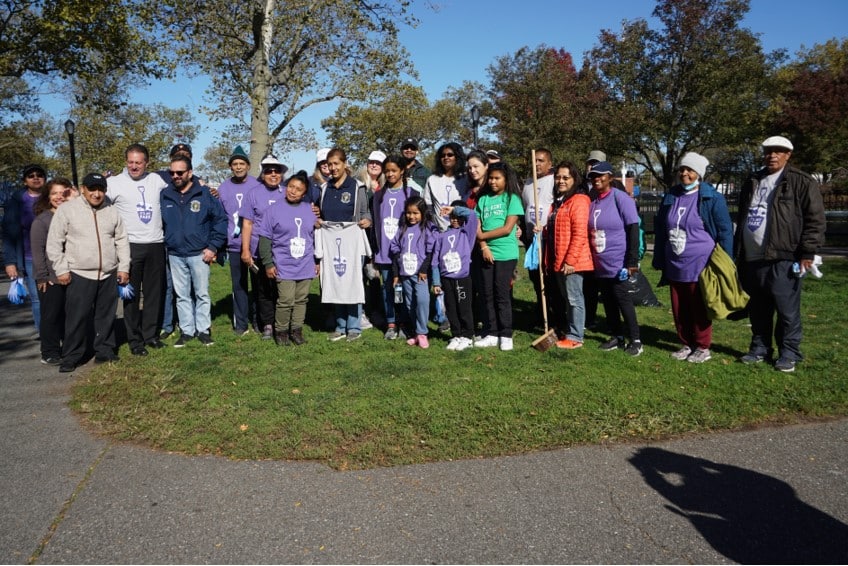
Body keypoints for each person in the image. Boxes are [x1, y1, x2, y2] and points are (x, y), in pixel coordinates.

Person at [733, 136, 826, 372]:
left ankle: (790, 353)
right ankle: (760, 349)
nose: (772, 155)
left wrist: (808, 251)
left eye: (778, 151)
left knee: (786, 310)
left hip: (784, 257)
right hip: (753, 258)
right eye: (768, 151)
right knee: (758, 309)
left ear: (788, 155)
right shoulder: (753, 180)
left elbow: (815, 219)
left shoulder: (800, 181)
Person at [653, 152, 734, 363]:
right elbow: (662, 227)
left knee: (699, 307)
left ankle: (702, 346)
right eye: (682, 169)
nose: (685, 173)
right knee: (680, 308)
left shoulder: (711, 198)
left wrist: (727, 262)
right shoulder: (671, 196)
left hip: (701, 263)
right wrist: (660, 257)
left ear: (698, 173)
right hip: (675, 262)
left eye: (689, 170)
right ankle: (686, 343)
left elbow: (725, 231)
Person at [46, 173, 130, 372]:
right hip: (79, 274)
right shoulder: (67, 210)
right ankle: (72, 356)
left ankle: (105, 351)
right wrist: (61, 269)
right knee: (77, 318)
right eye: (92, 188)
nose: (97, 193)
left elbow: (122, 240)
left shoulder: (112, 210)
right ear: (83, 189)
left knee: (106, 316)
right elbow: (54, 243)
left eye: (101, 189)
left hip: (108, 273)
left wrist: (124, 267)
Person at [106, 143, 169, 356]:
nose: (134, 167)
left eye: (138, 163)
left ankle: (150, 335)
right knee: (131, 296)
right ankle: (134, 340)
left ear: (146, 163)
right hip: (129, 246)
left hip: (155, 244)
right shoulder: (113, 183)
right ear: (126, 162)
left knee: (154, 293)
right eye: (131, 162)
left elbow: (184, 182)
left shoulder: (157, 180)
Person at [160, 155, 228, 347]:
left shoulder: (205, 194)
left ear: (190, 173)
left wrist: (213, 247)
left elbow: (221, 221)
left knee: (201, 294)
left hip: (200, 254)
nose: (175, 176)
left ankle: (203, 330)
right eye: (171, 173)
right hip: (174, 253)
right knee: (181, 295)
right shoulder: (165, 195)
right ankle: (187, 330)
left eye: (180, 172)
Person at [317, 147, 372, 341]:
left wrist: (367, 221)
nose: (333, 168)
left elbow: (366, 213)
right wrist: (317, 220)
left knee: (352, 282)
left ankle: (354, 326)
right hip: (332, 243)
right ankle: (340, 325)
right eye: (329, 164)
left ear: (344, 164)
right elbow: (319, 214)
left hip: (352, 242)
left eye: (336, 164)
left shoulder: (357, 187)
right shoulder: (324, 188)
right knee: (336, 280)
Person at [257, 171, 318, 346]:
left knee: (301, 300)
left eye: (298, 189)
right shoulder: (273, 210)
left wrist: (317, 261)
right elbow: (265, 239)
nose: (293, 191)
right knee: (285, 300)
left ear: (304, 193)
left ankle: (296, 330)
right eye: (291, 186)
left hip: (305, 264)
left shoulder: (309, 210)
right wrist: (268, 263)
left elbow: (316, 236)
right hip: (284, 264)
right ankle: (281, 331)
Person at [587, 161, 643, 356]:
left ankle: (635, 340)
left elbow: (633, 229)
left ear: (610, 177)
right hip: (600, 262)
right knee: (609, 301)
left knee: (622, 299)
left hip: (619, 261)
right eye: (593, 176)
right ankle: (617, 336)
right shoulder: (593, 201)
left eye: (601, 175)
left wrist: (631, 262)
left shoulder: (620, 198)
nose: (597, 179)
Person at [474, 161, 524, 351]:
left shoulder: (512, 199)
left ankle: (506, 334)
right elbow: (476, 224)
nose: (493, 182)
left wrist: (481, 236)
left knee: (501, 294)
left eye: (497, 178)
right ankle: (492, 332)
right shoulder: (483, 199)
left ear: (506, 179)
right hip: (486, 252)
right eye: (491, 178)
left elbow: (507, 228)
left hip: (505, 254)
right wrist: (483, 246)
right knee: (487, 294)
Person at [370, 154, 421, 340]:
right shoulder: (378, 196)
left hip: (405, 252)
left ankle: (405, 322)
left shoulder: (411, 194)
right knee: (387, 288)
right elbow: (375, 223)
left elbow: (419, 223)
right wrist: (374, 248)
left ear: (402, 171)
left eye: (394, 170)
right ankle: (390, 323)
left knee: (404, 289)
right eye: (387, 171)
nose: (390, 174)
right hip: (383, 252)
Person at [239, 155, 288, 340]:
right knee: (263, 290)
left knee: (282, 289)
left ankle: (282, 323)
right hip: (259, 250)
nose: (273, 174)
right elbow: (247, 223)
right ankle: (267, 324)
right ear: (263, 173)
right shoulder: (253, 193)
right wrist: (245, 250)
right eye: (269, 171)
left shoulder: (286, 192)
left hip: (282, 251)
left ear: (282, 174)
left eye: (277, 171)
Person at [544, 162, 592, 349]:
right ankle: (571, 330)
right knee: (567, 298)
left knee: (574, 299)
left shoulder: (579, 200)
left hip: (573, 261)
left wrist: (570, 260)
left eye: (566, 177)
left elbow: (580, 233)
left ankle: (576, 336)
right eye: (558, 177)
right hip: (559, 258)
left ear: (574, 179)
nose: (561, 181)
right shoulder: (560, 201)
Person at [217, 145, 262, 336]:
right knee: (239, 285)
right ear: (230, 167)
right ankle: (241, 323)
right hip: (234, 245)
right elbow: (219, 216)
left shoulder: (257, 186)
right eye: (234, 164)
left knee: (259, 286)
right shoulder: (223, 188)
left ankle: (260, 320)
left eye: (241, 163)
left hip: (255, 244)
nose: (238, 167)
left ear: (248, 166)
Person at [29, 178, 70, 364]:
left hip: (71, 274)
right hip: (51, 277)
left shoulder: (72, 216)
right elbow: (37, 252)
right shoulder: (42, 221)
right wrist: (43, 276)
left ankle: (68, 347)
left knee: (67, 314)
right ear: (47, 197)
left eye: (63, 193)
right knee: (51, 316)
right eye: (54, 193)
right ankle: (49, 351)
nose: (59, 197)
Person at [3, 164, 47, 336]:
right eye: (31, 176)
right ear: (25, 180)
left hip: (52, 257)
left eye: (39, 175)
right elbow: (8, 233)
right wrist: (10, 262)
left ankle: (60, 333)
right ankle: (46, 338)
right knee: (37, 299)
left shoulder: (53, 197)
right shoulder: (16, 202)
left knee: (57, 299)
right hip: (29, 258)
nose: (35, 178)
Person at [389, 196, 438, 349]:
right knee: (410, 303)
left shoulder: (427, 228)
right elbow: (395, 252)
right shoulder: (402, 229)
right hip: (405, 275)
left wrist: (424, 269)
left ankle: (423, 332)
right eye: (409, 213)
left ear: (423, 213)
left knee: (422, 301)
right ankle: (416, 333)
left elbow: (430, 252)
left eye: (416, 213)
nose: (412, 216)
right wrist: (397, 274)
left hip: (420, 274)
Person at [433, 201, 478, 351]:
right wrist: (436, 281)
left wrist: (455, 209)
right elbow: (435, 261)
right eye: (452, 216)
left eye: (458, 216)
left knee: (463, 307)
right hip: (446, 279)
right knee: (451, 308)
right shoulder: (441, 236)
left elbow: (472, 215)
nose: (454, 219)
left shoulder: (467, 234)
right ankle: (456, 335)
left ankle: (467, 335)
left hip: (462, 278)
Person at [521, 148, 557, 329]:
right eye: (534, 160)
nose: (537, 164)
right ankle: (540, 312)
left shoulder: (554, 181)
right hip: (531, 239)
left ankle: (555, 316)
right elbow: (525, 208)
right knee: (536, 278)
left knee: (550, 280)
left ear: (549, 164)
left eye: (541, 161)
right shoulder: (528, 184)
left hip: (548, 239)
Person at [423, 142, 468, 232]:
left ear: (457, 157)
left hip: (462, 232)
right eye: (443, 155)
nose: (446, 157)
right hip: (440, 232)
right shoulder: (432, 179)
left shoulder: (466, 178)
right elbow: (428, 206)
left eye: (450, 155)